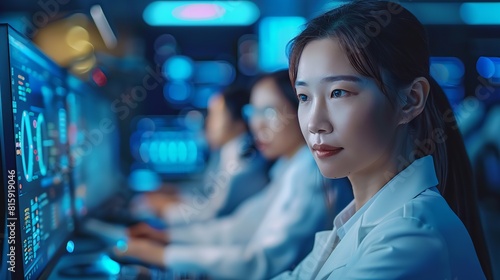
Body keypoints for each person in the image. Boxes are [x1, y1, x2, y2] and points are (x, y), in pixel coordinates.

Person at [273, 1, 492, 279]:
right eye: (304, 97)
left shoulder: (411, 237)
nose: (315, 122)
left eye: (339, 92)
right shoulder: (356, 221)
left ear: (410, 101)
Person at [115, 70, 331, 279]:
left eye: (269, 112)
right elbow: (238, 228)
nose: (257, 125)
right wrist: (167, 238)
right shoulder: (288, 168)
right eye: (252, 113)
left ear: (302, 109)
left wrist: (163, 254)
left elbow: (258, 261)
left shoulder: (308, 175)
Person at [131, 86, 270, 225]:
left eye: (216, 115)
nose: (208, 123)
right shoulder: (227, 153)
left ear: (239, 121)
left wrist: (165, 209)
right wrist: (177, 195)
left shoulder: (242, 165)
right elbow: (207, 196)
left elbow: (212, 214)